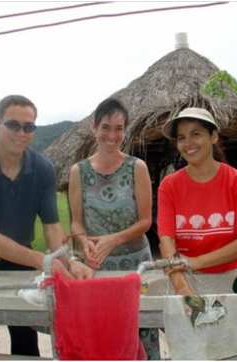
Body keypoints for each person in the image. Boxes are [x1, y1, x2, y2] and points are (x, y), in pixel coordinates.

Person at [0, 95, 93, 356]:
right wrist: (44, 262)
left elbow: (52, 226)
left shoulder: (43, 168)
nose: (21, 133)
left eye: (29, 127)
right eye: (13, 125)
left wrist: (68, 260)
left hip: (22, 259)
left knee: (26, 344)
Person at [68, 97, 160, 359]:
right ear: (94, 127)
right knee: (106, 331)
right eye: (106, 127)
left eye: (119, 128)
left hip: (136, 265)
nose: (112, 135)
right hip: (98, 266)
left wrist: (112, 240)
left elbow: (145, 222)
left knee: (142, 329)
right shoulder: (79, 171)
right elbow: (76, 220)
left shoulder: (136, 167)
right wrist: (83, 241)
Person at [158, 107, 237, 295]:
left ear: (213, 136)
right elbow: (166, 242)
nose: (188, 143)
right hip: (188, 280)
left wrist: (196, 262)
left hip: (235, 280)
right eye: (181, 138)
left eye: (195, 134)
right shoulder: (169, 185)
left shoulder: (236, 181)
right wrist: (183, 291)